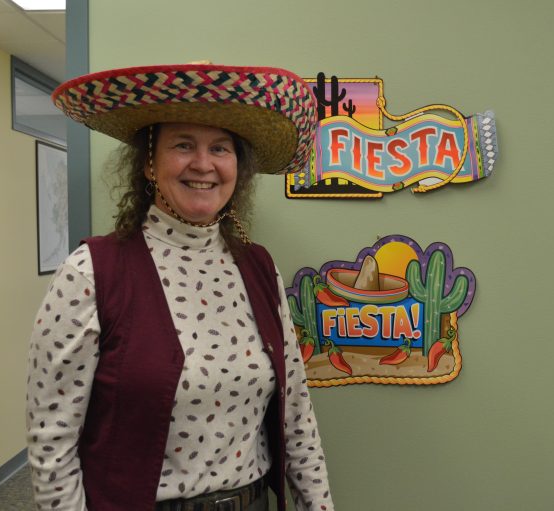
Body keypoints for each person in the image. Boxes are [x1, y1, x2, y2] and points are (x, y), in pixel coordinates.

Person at [26, 62, 333, 511]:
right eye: (183, 145)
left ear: (238, 168)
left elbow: (297, 415)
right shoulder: (91, 273)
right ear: (149, 162)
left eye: (221, 148)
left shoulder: (259, 268)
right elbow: (51, 447)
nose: (203, 165)